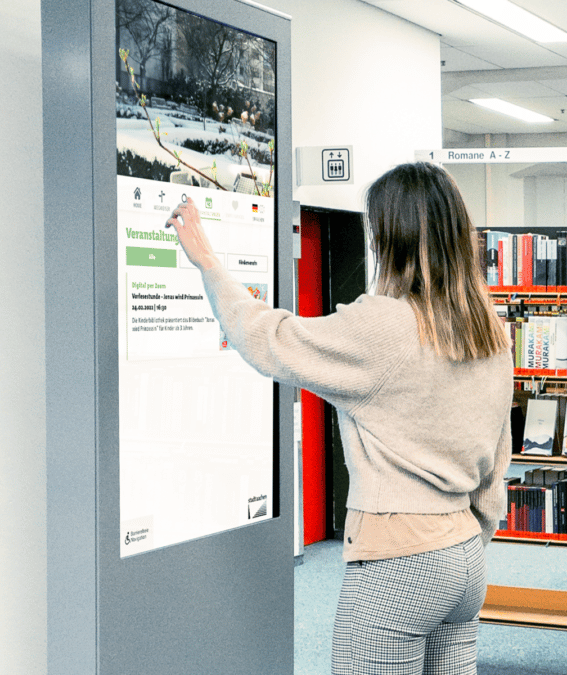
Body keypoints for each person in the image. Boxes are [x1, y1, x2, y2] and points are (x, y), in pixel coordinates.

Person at [167, 162, 513, 675]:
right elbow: (496, 461)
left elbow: (270, 338)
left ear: (391, 237)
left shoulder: (385, 325)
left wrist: (209, 264)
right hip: (464, 557)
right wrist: (463, 539)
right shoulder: (489, 330)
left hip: (399, 562)